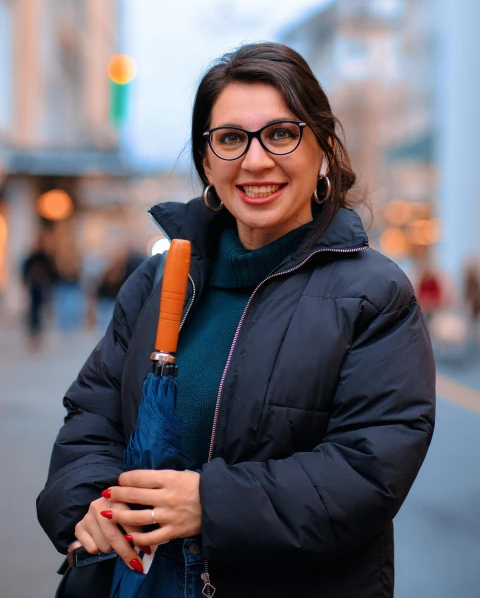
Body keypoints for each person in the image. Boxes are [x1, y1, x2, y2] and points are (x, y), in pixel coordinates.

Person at [37, 43, 435, 598]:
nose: (254, 161)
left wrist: (208, 503)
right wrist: (87, 504)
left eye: (280, 134)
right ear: (207, 161)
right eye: (230, 139)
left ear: (322, 148)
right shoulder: (156, 282)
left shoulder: (374, 293)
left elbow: (367, 473)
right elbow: (91, 420)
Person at [21, 232, 58, 349]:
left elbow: (52, 272)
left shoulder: (45, 257)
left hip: (43, 286)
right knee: (34, 310)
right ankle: (34, 333)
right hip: (35, 286)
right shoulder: (33, 257)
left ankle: (39, 334)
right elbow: (25, 269)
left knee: (41, 310)